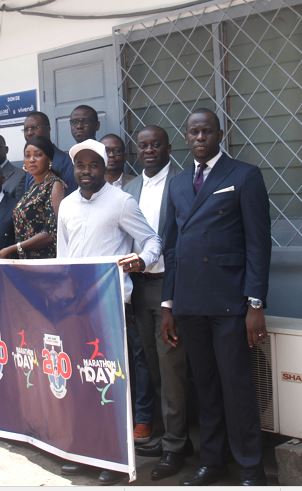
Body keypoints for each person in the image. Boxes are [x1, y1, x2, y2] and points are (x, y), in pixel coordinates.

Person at [161, 108, 271, 486]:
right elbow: (170, 248)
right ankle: (212, 461)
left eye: (207, 131)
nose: (200, 138)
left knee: (236, 387)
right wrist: (167, 305)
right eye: (193, 132)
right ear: (186, 137)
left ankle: (251, 467)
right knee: (204, 386)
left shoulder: (243, 175)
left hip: (229, 302)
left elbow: (258, 246)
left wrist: (255, 303)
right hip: (190, 302)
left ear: (220, 134)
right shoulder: (176, 184)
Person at [56, 138, 162, 485]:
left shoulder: (121, 202)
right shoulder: (68, 205)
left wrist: (140, 260)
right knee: (83, 384)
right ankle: (87, 451)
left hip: (112, 306)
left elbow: (152, 242)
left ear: (104, 167)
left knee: (112, 386)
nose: (86, 171)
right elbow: (63, 259)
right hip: (77, 309)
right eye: (80, 165)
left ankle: (115, 458)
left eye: (93, 165)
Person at [123, 126, 190, 480]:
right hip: (138, 287)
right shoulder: (130, 188)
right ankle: (167, 436)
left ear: (168, 147)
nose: (149, 150)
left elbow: (179, 242)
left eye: (156, 144)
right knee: (150, 363)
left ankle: (175, 446)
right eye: (143, 145)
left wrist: (172, 297)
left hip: (168, 286)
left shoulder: (180, 183)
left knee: (172, 368)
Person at [0, 136, 65, 260]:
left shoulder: (54, 185)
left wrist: (14, 248)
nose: (31, 160)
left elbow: (52, 232)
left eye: (38, 155)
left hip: (45, 261)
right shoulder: (32, 186)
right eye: (27, 156)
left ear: (49, 159)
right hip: (26, 260)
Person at [22, 111, 75, 195]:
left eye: (34, 128)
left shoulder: (67, 162)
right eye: (26, 129)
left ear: (48, 129)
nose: (29, 133)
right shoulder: (30, 162)